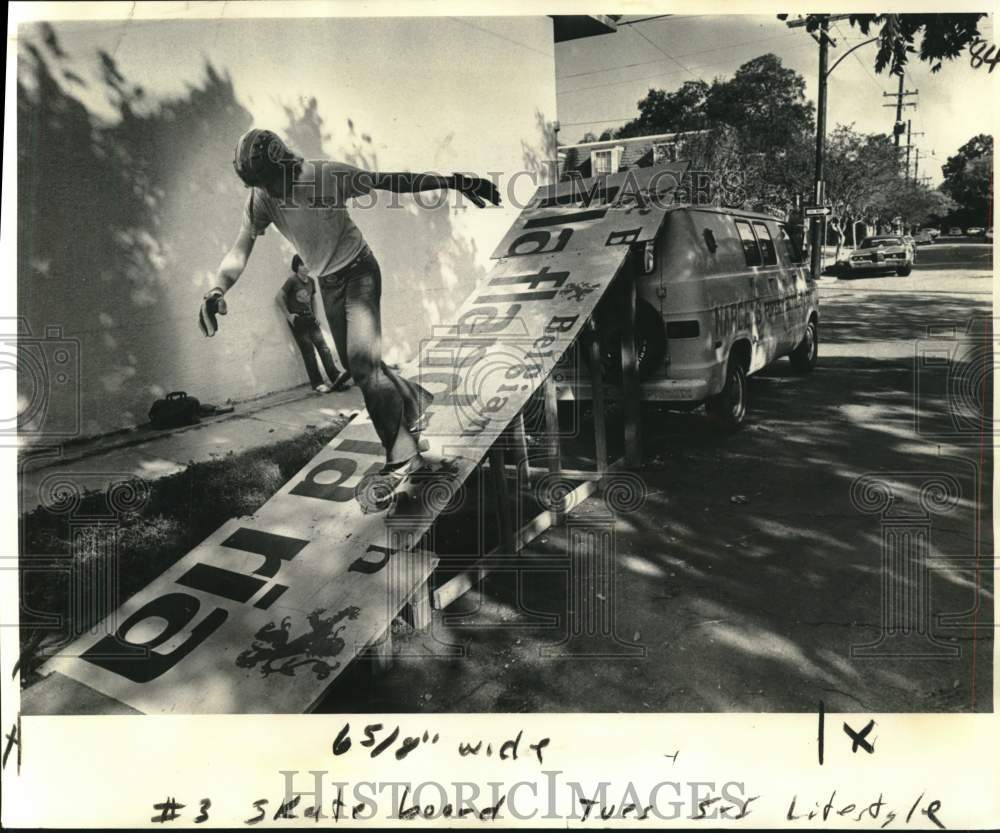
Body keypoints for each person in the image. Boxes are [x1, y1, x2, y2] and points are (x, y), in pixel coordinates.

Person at [199, 128, 500, 511]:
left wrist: (453, 182)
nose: (268, 192)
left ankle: (403, 459)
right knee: (357, 366)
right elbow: (241, 245)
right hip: (327, 281)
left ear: (285, 164)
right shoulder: (261, 196)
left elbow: (391, 181)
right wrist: (217, 289)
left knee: (363, 366)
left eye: (271, 182)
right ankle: (413, 400)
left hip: (360, 270)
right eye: (260, 185)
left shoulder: (326, 175)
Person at [276, 254, 350, 394]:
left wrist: (315, 315)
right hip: (298, 321)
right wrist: (289, 315)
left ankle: (335, 377)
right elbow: (279, 297)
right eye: (303, 264)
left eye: (308, 263)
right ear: (297, 267)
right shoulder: (292, 281)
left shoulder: (311, 281)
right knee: (309, 352)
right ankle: (317, 383)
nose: (307, 267)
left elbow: (313, 299)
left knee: (324, 348)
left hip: (310, 319)